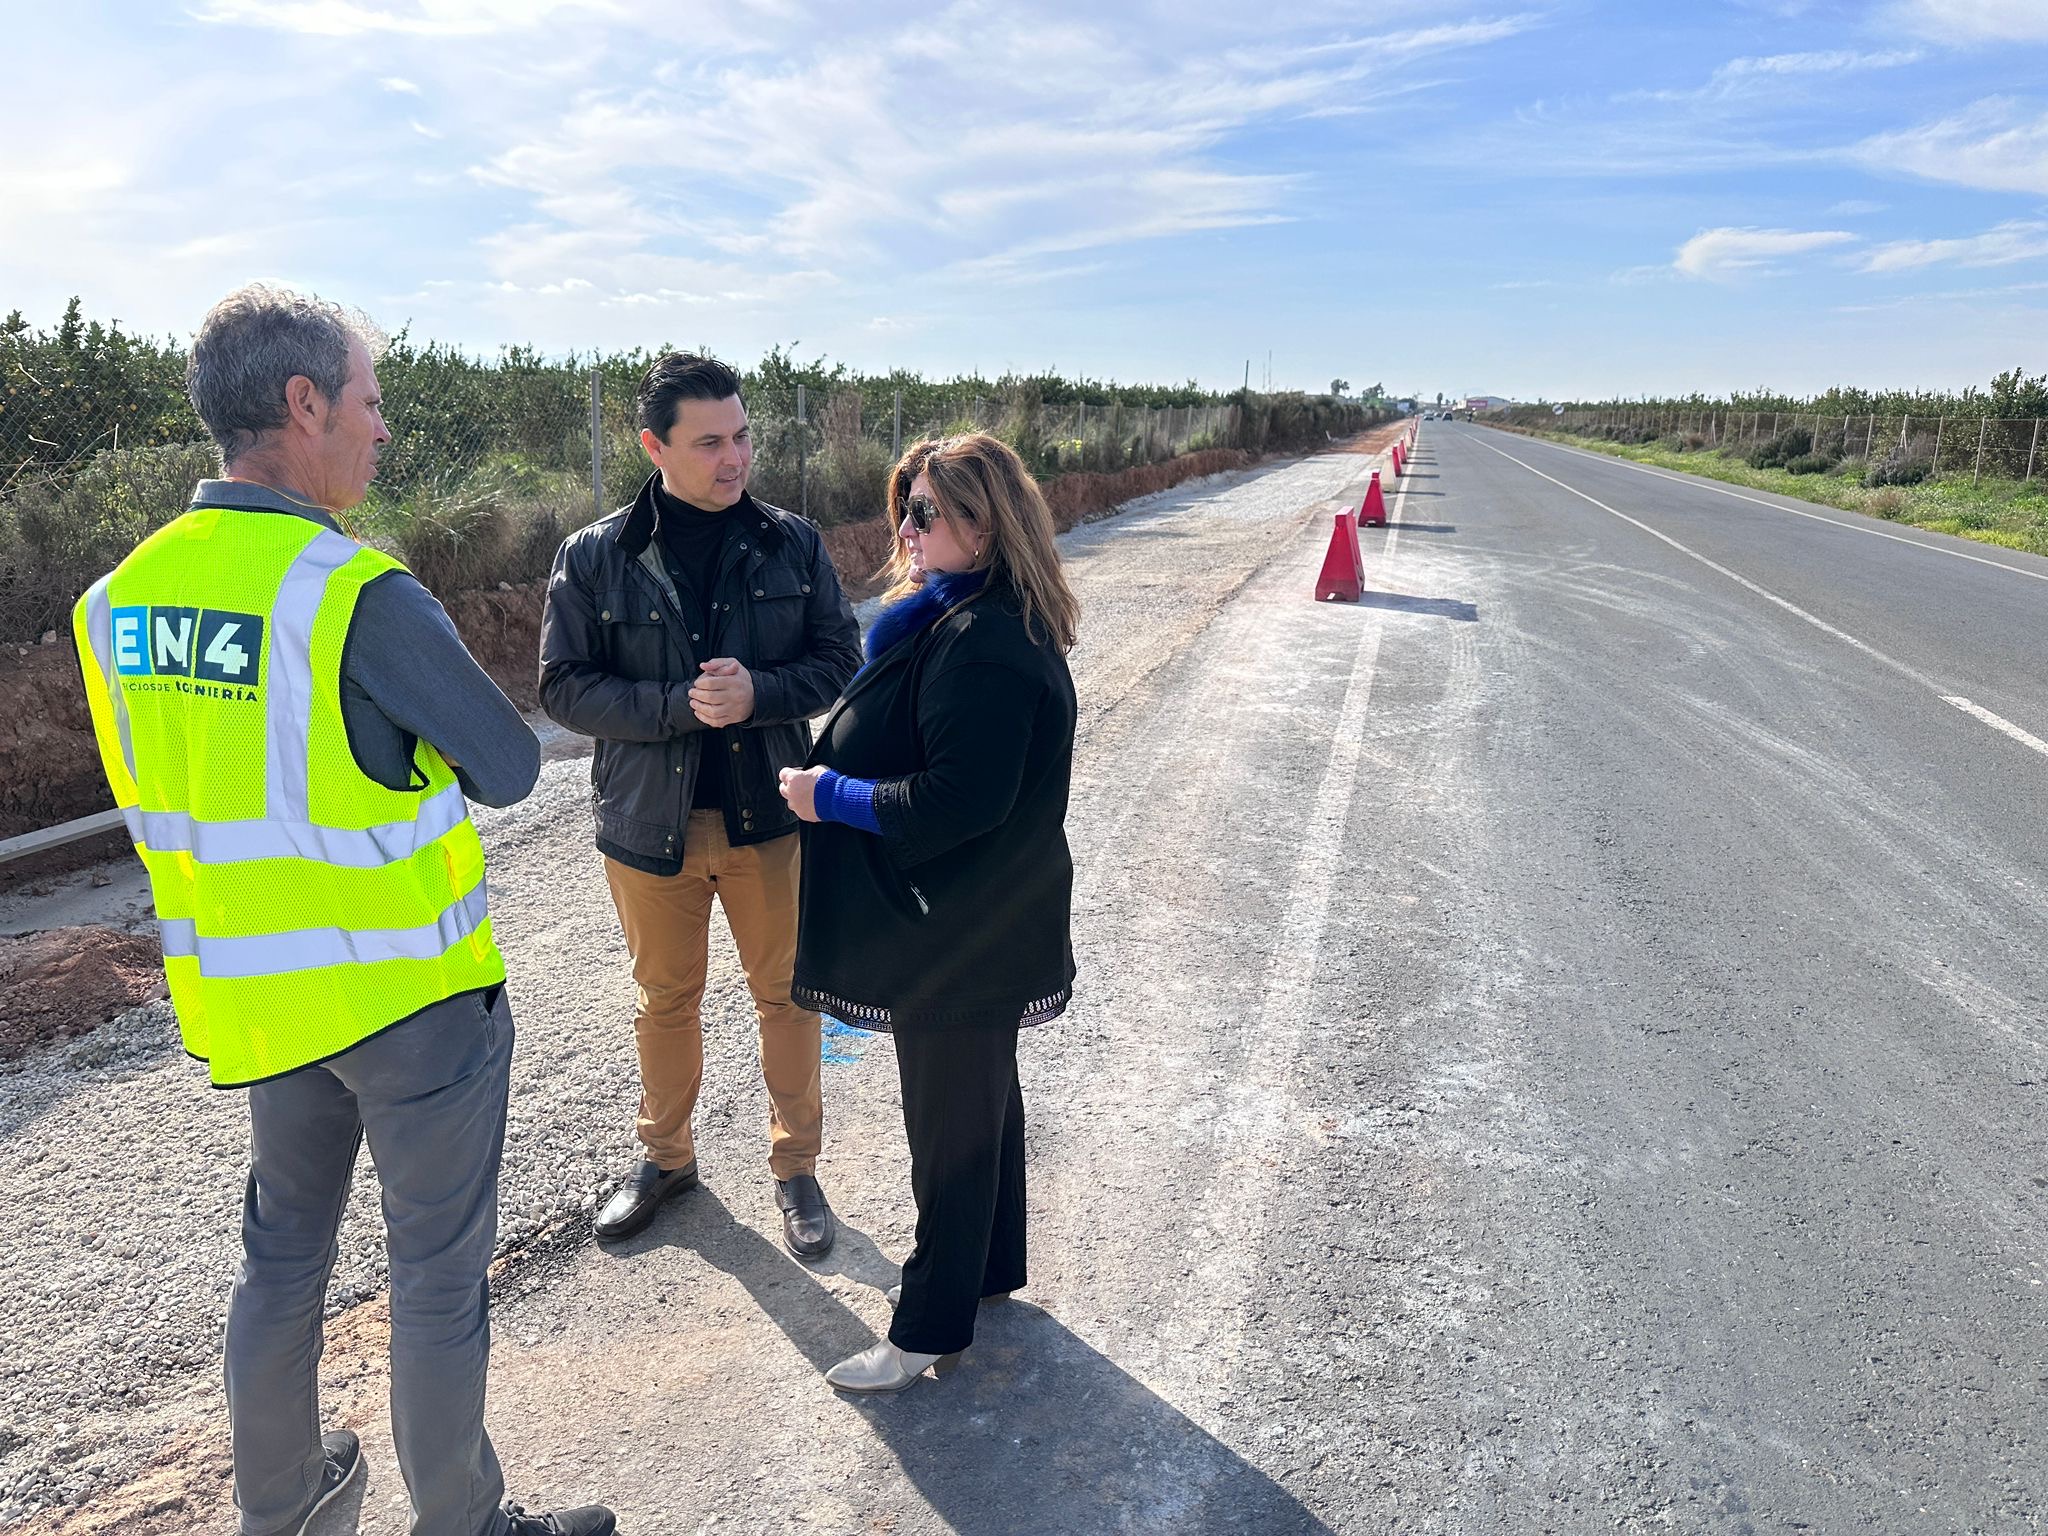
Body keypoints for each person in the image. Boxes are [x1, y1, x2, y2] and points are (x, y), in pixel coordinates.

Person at [71, 284, 612, 1535]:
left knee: (280, 1265)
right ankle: (463, 1522)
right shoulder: (348, 590)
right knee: (433, 1282)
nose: (381, 431)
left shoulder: (117, 605)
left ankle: (283, 1509)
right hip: (412, 1001)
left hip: (261, 1005)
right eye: (369, 403)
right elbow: (510, 765)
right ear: (302, 403)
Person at [539, 353, 862, 1256]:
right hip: (650, 828)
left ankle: (797, 1169)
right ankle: (667, 1160)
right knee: (663, 1001)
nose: (736, 458)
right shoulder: (595, 555)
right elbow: (562, 688)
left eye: (744, 435)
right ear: (655, 446)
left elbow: (843, 656)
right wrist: (677, 705)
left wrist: (761, 692)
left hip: (769, 818)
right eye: (711, 442)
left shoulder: (791, 541)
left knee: (789, 998)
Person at [777, 432, 1080, 1394]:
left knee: (948, 1123)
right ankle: (986, 1270)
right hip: (969, 919)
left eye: (926, 513)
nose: (904, 527)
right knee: (979, 1105)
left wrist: (832, 796)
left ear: (988, 529)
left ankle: (928, 1331)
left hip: (963, 930)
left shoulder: (986, 640)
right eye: (904, 505)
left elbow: (962, 801)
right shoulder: (962, 616)